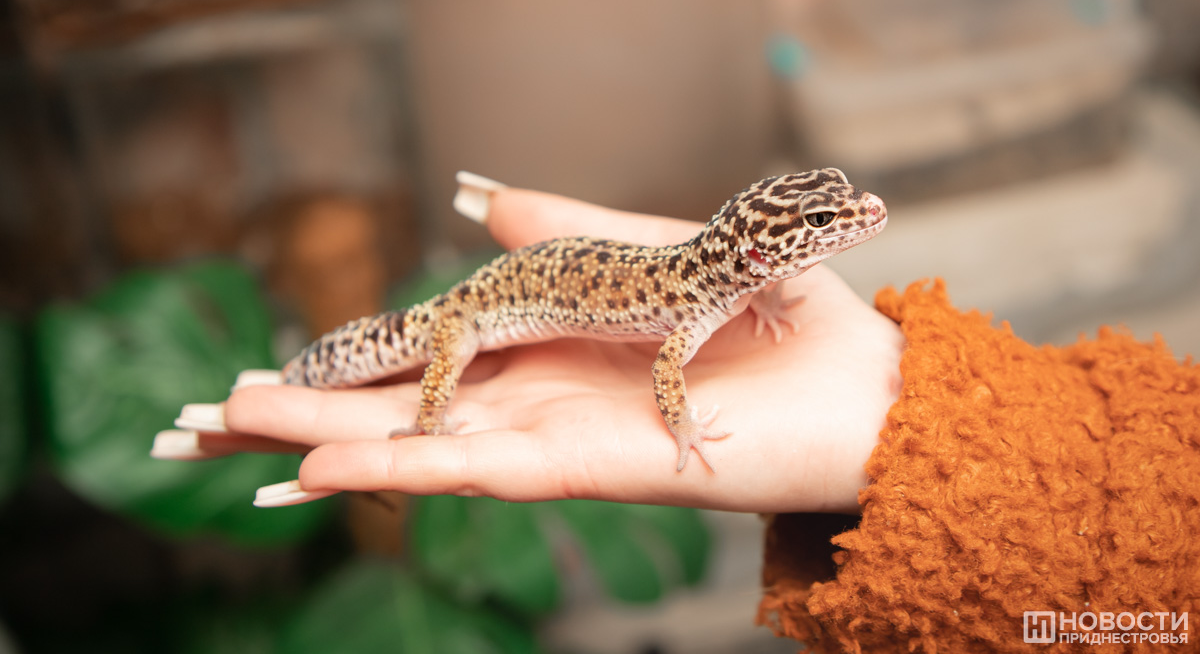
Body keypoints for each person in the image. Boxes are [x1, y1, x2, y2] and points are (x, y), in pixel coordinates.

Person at [154, 174, 1200, 653]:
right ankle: (358, 391)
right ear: (758, 243)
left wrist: (773, 308)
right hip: (466, 315)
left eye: (832, 210)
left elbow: (721, 311)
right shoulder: (694, 301)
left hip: (560, 287)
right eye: (823, 221)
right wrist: (685, 429)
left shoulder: (723, 283)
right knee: (439, 371)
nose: (855, 220)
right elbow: (667, 380)